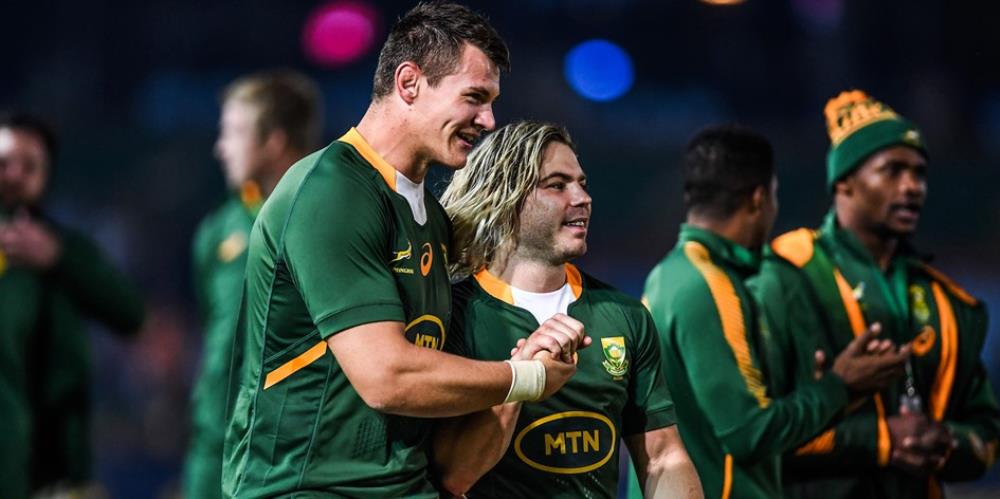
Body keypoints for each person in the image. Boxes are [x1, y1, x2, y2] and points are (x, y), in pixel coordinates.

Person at [223, 4, 585, 497]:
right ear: (409, 83)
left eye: (492, 102)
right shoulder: (331, 191)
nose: (488, 120)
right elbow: (386, 376)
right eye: (474, 98)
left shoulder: (430, 217)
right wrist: (525, 377)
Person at [751, 90, 1000, 498]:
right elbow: (750, 430)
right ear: (844, 182)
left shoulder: (948, 303)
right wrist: (880, 438)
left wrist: (944, 441)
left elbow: (987, 434)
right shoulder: (782, 277)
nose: (912, 187)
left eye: (920, 173)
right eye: (892, 170)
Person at [435, 121, 702, 498]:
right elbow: (453, 476)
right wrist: (522, 377)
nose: (583, 197)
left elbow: (662, 457)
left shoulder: (624, 315)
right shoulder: (453, 314)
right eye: (557, 185)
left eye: (582, 183)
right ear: (506, 198)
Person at [642, 125, 912, 499]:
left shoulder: (669, 276)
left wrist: (821, 390)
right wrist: (840, 385)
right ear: (759, 198)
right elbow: (749, 434)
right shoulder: (710, 288)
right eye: (775, 194)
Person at [183, 70, 322, 499]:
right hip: (217, 438)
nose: (220, 147)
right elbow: (212, 328)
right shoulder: (219, 230)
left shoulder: (329, 220)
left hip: (297, 450)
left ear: (274, 141)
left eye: (234, 132)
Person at [0, 113, 145, 496]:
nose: (14, 175)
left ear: (47, 174)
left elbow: (131, 315)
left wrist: (59, 259)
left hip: (57, 463)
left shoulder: (65, 248)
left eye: (29, 166)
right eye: (4, 163)